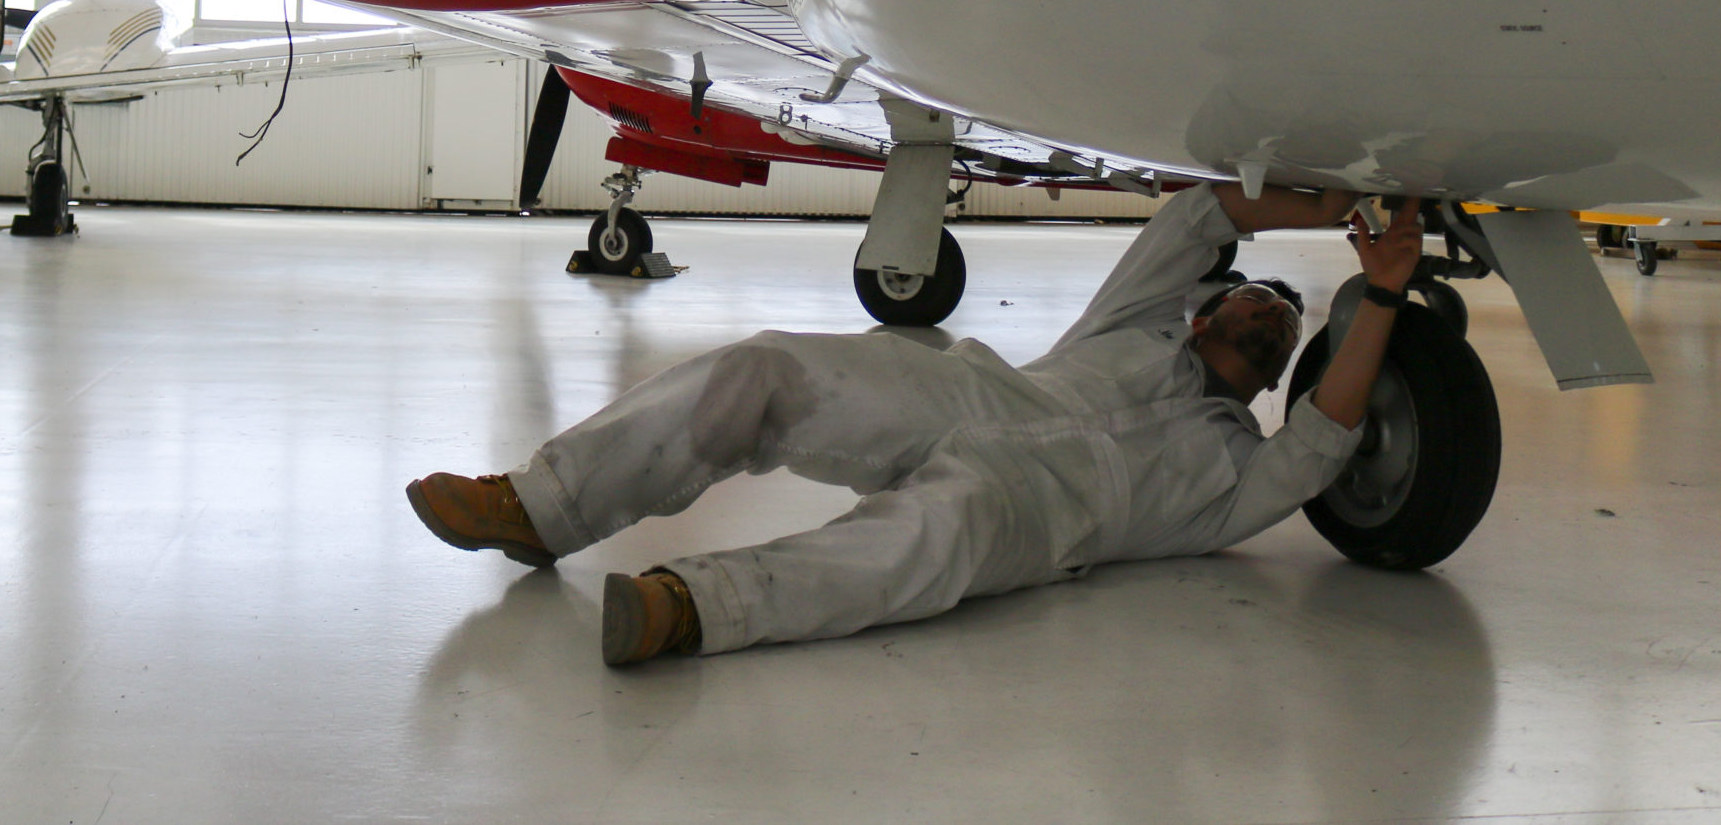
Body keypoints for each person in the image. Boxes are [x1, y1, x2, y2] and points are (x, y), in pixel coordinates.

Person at [408, 183, 1428, 665]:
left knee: (921, 548)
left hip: (1040, 513)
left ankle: (692, 608)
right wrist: (1331, 202)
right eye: (1256, 301)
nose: (1270, 314)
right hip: (973, 397)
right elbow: (1200, 219)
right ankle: (541, 506)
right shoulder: (1134, 325)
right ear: (1203, 311)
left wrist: (1378, 292)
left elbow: (1321, 443)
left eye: (1284, 326)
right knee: (768, 366)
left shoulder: (1234, 474)